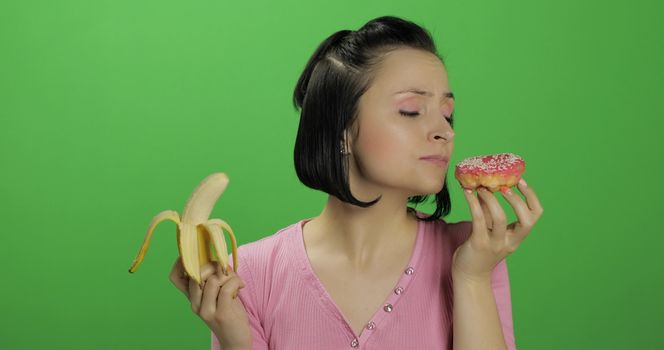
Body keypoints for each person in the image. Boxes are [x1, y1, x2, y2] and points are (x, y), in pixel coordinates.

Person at [170, 15, 543, 350]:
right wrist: (236, 340)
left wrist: (472, 279)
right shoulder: (248, 273)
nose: (444, 131)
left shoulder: (474, 253)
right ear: (342, 130)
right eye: (411, 111)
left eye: (448, 114)